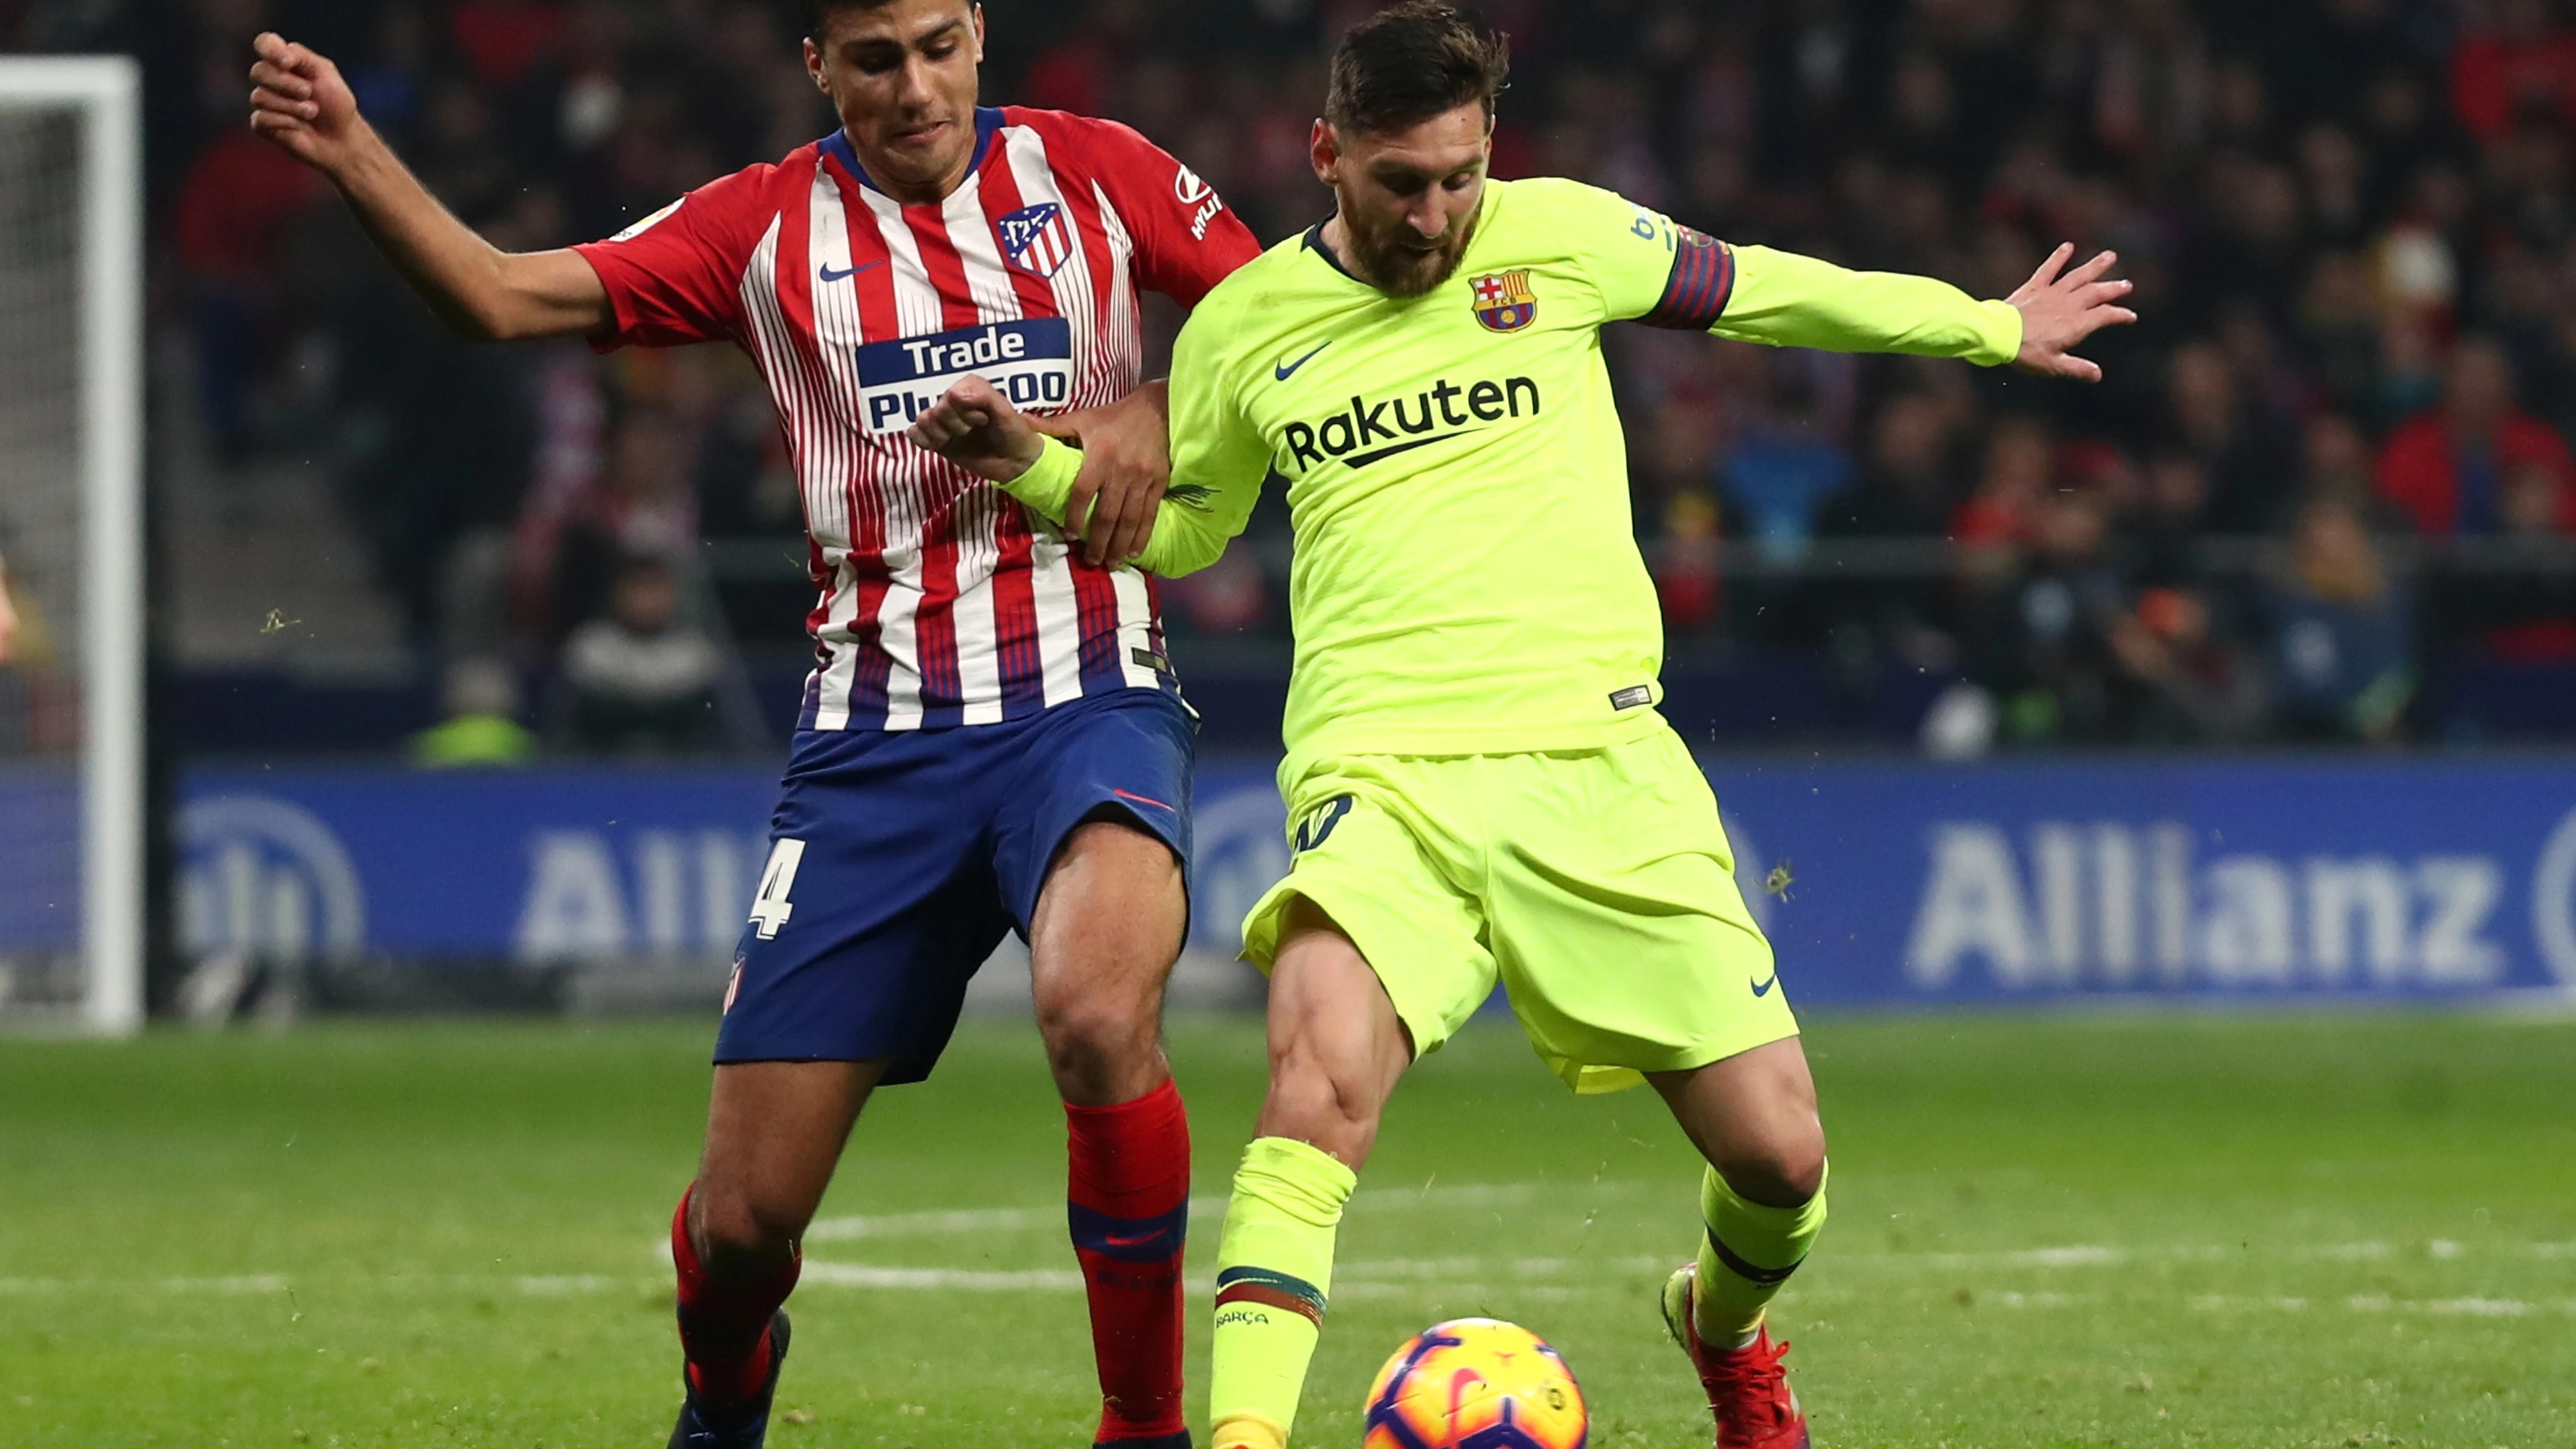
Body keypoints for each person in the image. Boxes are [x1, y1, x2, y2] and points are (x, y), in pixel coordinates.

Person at [907, 6, 2136, 1447]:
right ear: (1326, 155)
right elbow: (1183, 539)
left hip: (1596, 763)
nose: (1432, 216)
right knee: (1312, 1093)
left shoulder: (1562, 236)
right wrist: (1033, 474)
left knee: (1781, 1159)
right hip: (1381, 775)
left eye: (1456, 178)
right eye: (1398, 182)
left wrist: (1984, 327)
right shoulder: (1244, 326)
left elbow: (1760, 290)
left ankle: (1723, 1335)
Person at [247, 3, 1263, 1446]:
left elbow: (1297, 320)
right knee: (739, 1231)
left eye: (935, 45)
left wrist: (1165, 393)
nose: (912, 86)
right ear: (816, 67)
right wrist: (353, 153)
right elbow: (497, 296)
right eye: (872, 59)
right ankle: (724, 1402)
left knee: (1099, 1013)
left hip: (1089, 697)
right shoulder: (763, 230)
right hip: (875, 747)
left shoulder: (1096, 171)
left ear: (978, 34)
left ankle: (1143, 1427)